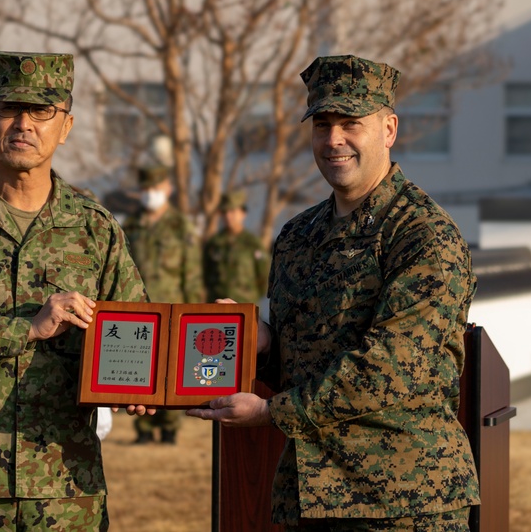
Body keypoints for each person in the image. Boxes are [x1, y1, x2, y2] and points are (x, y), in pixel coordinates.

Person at [188, 55, 480, 531]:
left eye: (351, 123)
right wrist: (260, 346)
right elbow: (304, 361)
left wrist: (269, 413)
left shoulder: (424, 236)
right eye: (322, 124)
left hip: (402, 503)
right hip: (312, 497)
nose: (333, 140)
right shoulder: (298, 235)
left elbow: (390, 365)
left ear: (388, 129)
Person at [0, 51, 149, 531]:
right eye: (8, 108)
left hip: (66, 483)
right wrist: (26, 330)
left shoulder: (93, 225)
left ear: (67, 125)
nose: (23, 125)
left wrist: (137, 385)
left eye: (42, 111)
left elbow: (133, 322)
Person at [123, 164, 204, 444]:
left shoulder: (181, 226)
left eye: (155, 189)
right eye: (145, 190)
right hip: (138, 312)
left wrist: (194, 314)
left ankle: (170, 428)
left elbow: (192, 274)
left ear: (168, 189)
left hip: (173, 309)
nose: (150, 195)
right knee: (139, 371)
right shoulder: (130, 226)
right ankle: (143, 431)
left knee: (170, 370)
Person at [203, 189, 270, 304]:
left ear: (243, 213)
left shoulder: (253, 243)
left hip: (244, 306)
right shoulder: (214, 243)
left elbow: (264, 277)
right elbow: (205, 275)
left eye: (232, 211)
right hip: (217, 305)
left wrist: (248, 295)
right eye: (225, 212)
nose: (228, 216)